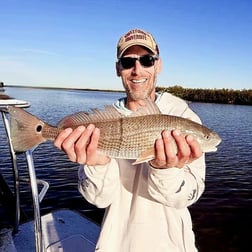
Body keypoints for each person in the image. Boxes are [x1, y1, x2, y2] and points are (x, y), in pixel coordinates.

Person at [54, 28, 205, 252]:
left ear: (158, 65)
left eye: (146, 60)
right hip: (115, 244)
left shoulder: (183, 117)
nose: (137, 70)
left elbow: (188, 197)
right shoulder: (99, 125)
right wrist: (97, 165)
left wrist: (165, 171)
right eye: (127, 62)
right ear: (118, 69)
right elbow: (99, 200)